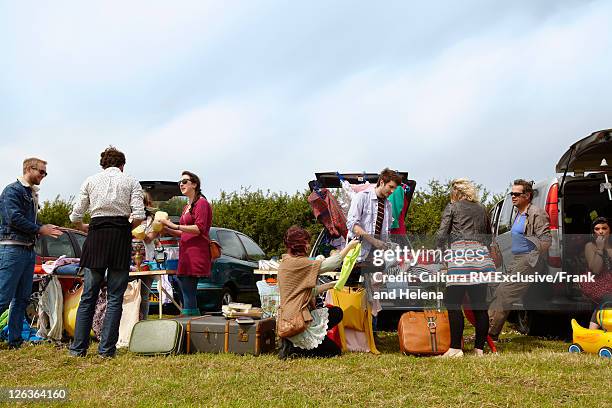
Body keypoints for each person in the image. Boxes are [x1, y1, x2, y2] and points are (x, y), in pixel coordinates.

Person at [68, 147, 145, 358]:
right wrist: (124, 229)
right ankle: (106, 350)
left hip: (96, 237)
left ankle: (78, 349)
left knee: (88, 296)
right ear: (122, 165)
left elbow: (75, 216)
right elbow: (139, 215)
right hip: (120, 237)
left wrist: (85, 227)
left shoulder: (90, 181)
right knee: (115, 297)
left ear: (102, 164)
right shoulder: (131, 181)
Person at [0, 158, 63, 348]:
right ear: (29, 169)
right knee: (3, 298)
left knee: (22, 299)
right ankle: (15, 339)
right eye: (41, 172)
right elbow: (13, 218)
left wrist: (41, 228)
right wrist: (39, 229)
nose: (44, 176)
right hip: (12, 249)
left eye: (45, 173)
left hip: (27, 250)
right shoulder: (13, 190)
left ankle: (15, 341)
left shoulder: (29, 193)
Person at [277, 226, 359, 359]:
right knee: (334, 352)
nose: (309, 245)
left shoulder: (287, 262)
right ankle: (297, 348)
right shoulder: (298, 263)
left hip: (290, 317)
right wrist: (349, 246)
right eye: (306, 242)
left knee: (336, 313)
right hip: (296, 321)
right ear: (299, 244)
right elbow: (332, 264)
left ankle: (295, 346)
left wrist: (330, 285)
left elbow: (307, 292)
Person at [435, 179, 496, 357]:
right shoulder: (481, 209)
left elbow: (441, 234)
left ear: (456, 192)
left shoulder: (452, 207)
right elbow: (488, 237)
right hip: (480, 256)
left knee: (453, 303)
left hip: (460, 255)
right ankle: (479, 349)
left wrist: (443, 254)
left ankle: (455, 349)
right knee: (480, 305)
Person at [488, 179, 551, 340]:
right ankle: (485, 331)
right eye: (512, 194)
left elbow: (546, 241)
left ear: (527, 195)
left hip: (528, 259)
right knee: (498, 290)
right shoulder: (518, 214)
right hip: (516, 258)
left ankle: (490, 335)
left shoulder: (537, 213)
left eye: (517, 194)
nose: (513, 197)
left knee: (505, 292)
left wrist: (531, 257)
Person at [346, 168, 401, 325]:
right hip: (358, 254)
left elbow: (386, 232)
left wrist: (387, 245)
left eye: (394, 189)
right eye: (390, 187)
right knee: (351, 292)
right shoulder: (362, 197)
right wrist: (373, 241)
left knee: (373, 295)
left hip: (376, 257)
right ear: (381, 182)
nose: (392, 191)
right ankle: (351, 329)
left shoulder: (388, 205)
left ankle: (370, 333)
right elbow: (352, 225)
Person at [159, 171, 212, 317]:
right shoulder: (186, 206)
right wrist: (167, 229)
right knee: (180, 281)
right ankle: (190, 316)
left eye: (185, 181)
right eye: (180, 182)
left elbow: (199, 229)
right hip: (185, 251)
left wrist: (174, 225)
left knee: (187, 284)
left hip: (196, 251)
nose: (181, 184)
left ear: (194, 184)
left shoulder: (202, 203)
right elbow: (184, 233)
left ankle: (189, 318)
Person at [581, 217, 612, 329]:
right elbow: (596, 269)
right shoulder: (590, 246)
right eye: (597, 229)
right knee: (609, 298)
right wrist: (600, 248)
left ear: (610, 230)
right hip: (596, 282)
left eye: (604, 228)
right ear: (593, 233)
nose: (601, 231)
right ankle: (592, 328)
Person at [137, 192, 162, 320]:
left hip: (147, 262)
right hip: (128, 262)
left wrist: (138, 232)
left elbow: (148, 239)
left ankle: (143, 322)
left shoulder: (153, 221)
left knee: (143, 295)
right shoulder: (129, 218)